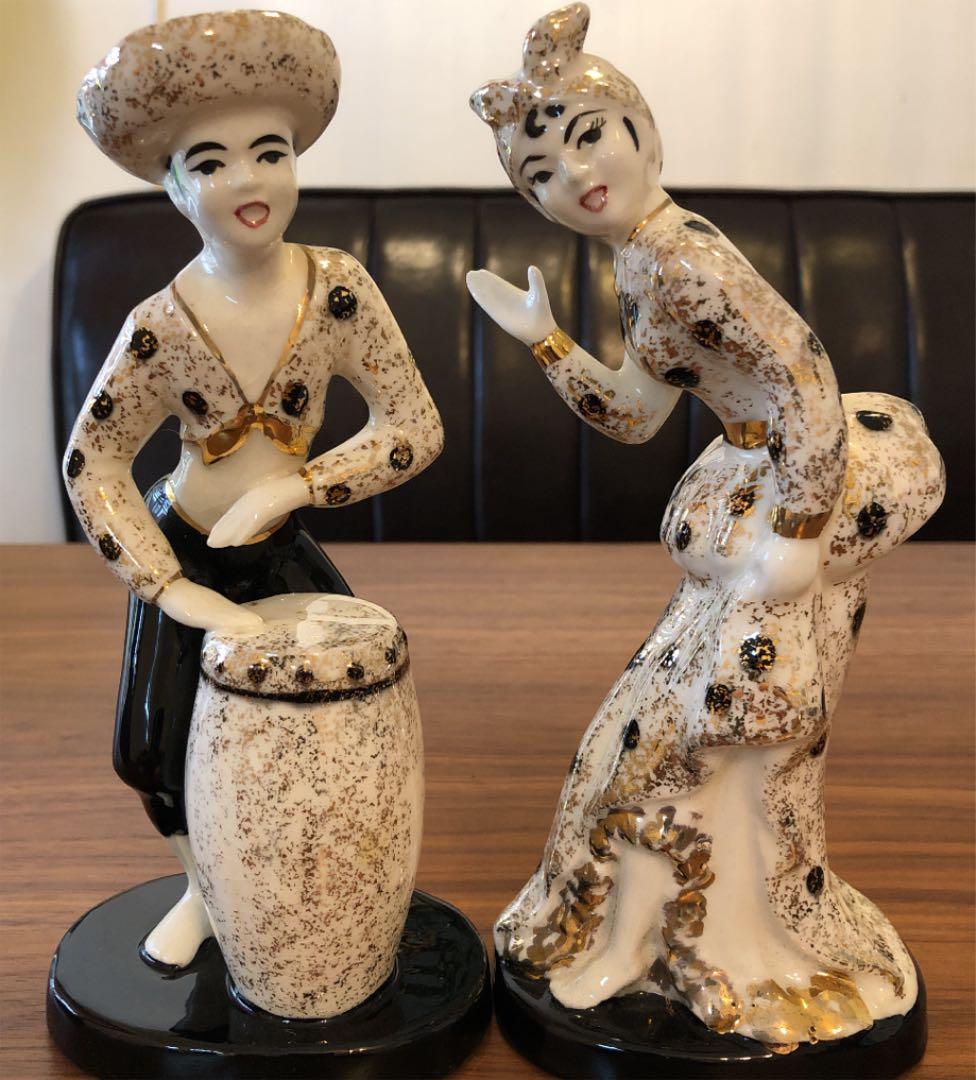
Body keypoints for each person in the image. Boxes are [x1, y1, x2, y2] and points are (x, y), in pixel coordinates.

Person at [467, 3, 943, 1049]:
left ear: (641, 129)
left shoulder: (685, 258)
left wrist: (798, 531)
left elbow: (804, 371)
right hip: (752, 481)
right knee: (677, 717)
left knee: (712, 723)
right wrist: (545, 340)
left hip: (792, 489)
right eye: (540, 173)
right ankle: (649, 934)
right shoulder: (642, 263)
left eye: (587, 136)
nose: (574, 176)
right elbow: (636, 415)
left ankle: (697, 936)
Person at [66, 10, 443, 968]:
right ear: (171, 186)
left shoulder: (338, 289)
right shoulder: (158, 327)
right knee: (153, 743)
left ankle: (313, 880)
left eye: (269, 153)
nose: (247, 181)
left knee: (342, 709)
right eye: (212, 163)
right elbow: (92, 464)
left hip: (275, 548)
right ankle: (206, 888)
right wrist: (167, 587)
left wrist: (296, 490)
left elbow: (415, 426)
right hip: (187, 544)